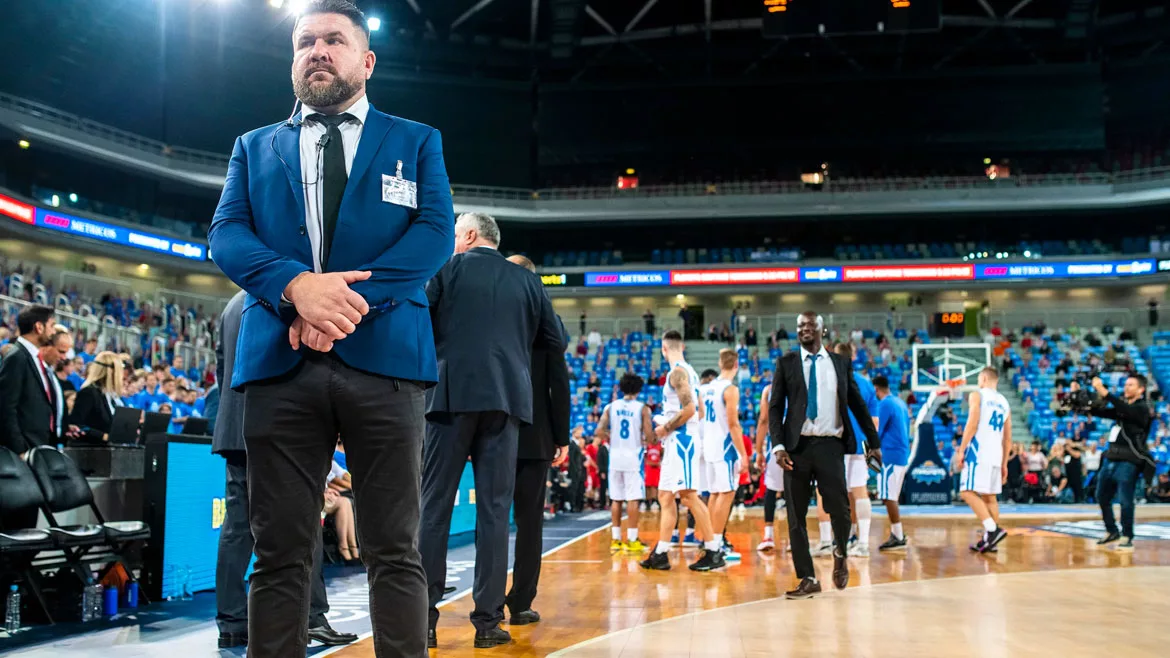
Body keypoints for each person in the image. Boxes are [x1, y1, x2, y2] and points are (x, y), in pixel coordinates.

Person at [206, 1, 455, 653]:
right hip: (280, 361)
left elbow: (434, 235)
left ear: (366, 61)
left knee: (394, 548)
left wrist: (338, 306)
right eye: (305, 41)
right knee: (279, 552)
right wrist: (296, 290)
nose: (317, 50)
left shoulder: (416, 140)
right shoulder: (253, 146)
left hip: (387, 358)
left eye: (334, 40)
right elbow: (226, 235)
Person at [419, 213, 564, 649]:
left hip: (450, 397)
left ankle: (423, 621)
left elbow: (419, 322)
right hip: (507, 401)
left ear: (468, 235)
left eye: (455, 233)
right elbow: (555, 340)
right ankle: (487, 623)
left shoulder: (445, 269)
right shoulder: (528, 282)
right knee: (496, 514)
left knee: (434, 508)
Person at [211, 292, 356, 650]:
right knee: (305, 520)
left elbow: (221, 370)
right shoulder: (285, 295)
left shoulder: (231, 305)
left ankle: (231, 622)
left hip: (235, 426)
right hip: (278, 425)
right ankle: (312, 616)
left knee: (237, 527)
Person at [767, 312, 880, 599]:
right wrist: (778, 446)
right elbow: (775, 407)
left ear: (822, 329)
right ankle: (807, 577)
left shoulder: (840, 363)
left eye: (810, 324)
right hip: (796, 448)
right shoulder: (786, 363)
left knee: (840, 510)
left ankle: (840, 551)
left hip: (831, 445)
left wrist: (874, 442)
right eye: (800, 325)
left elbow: (857, 404)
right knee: (796, 516)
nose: (805, 328)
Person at [503, 255, 571, 626]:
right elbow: (558, 381)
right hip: (535, 434)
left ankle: (488, 603)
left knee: (493, 519)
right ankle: (520, 603)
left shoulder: (493, 317)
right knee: (530, 524)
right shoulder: (549, 322)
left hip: (494, 429)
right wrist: (562, 435)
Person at [640, 330, 718, 572]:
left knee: (688, 496)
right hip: (679, 439)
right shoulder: (691, 372)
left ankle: (714, 550)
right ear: (682, 347)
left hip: (682, 441)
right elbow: (701, 411)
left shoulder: (677, 373)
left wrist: (665, 427)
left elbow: (691, 409)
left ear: (664, 349)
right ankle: (661, 553)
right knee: (665, 496)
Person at [1077, 374, 1155, 552]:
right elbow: (1103, 412)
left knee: (1125, 500)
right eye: (1126, 384)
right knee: (1101, 496)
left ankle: (1127, 535)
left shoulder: (1143, 408)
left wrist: (1104, 391)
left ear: (1141, 389)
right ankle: (1112, 530)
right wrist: (1084, 403)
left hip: (1129, 460)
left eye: (1131, 385)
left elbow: (1124, 409)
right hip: (1111, 458)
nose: (1126, 387)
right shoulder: (1124, 408)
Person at [697, 349, 748, 569]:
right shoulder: (730, 389)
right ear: (736, 365)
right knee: (726, 495)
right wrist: (744, 454)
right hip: (724, 447)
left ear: (720, 364)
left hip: (708, 445)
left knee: (714, 495)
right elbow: (733, 424)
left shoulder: (705, 388)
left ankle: (709, 543)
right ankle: (715, 547)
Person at [956, 368, 1012, 553]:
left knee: (966, 491)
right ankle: (991, 541)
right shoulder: (1005, 403)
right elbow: (1008, 438)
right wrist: (1004, 463)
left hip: (979, 452)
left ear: (985, 378)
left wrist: (962, 449)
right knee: (990, 498)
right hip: (996, 455)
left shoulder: (977, 395)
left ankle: (992, 530)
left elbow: (972, 423)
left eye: (979, 379)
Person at [596, 373, 654, 553]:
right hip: (633, 458)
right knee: (633, 499)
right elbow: (650, 437)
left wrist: (611, 436)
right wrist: (651, 437)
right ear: (639, 389)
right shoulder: (642, 408)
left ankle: (615, 540)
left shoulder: (610, 407)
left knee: (616, 499)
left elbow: (599, 431)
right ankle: (632, 540)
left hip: (615, 457)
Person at [833, 343, 877, 557]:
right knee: (859, 491)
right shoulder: (866, 384)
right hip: (861, 445)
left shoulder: (831, 381)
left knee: (840, 493)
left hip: (837, 443)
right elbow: (874, 422)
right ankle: (862, 542)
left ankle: (843, 538)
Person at [872, 376, 912, 551]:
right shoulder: (900, 402)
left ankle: (898, 535)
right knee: (891, 495)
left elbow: (876, 431)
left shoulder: (885, 404)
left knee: (889, 497)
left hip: (890, 455)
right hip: (901, 453)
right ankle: (898, 533)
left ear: (876, 389)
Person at [67, 351, 126, 443]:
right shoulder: (89, 392)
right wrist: (103, 436)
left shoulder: (113, 395)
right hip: (93, 447)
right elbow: (76, 425)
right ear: (111, 371)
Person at [753, 383, 785, 552]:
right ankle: (797, 538)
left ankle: (768, 535)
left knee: (771, 490)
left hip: (777, 444)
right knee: (795, 491)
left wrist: (758, 451)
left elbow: (764, 420)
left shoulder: (769, 389)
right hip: (800, 443)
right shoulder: (802, 382)